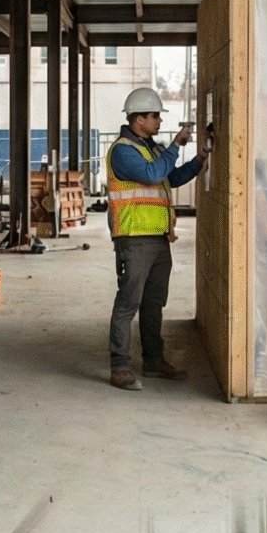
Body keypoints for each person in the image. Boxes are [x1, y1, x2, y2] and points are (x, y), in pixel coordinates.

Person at [106, 84, 208, 389]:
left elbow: (171, 177)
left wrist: (200, 159)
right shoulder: (124, 151)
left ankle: (153, 360)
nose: (160, 122)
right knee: (128, 303)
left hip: (159, 239)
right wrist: (176, 144)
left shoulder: (151, 148)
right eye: (155, 117)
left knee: (153, 303)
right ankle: (120, 367)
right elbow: (152, 175)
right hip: (134, 238)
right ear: (139, 119)